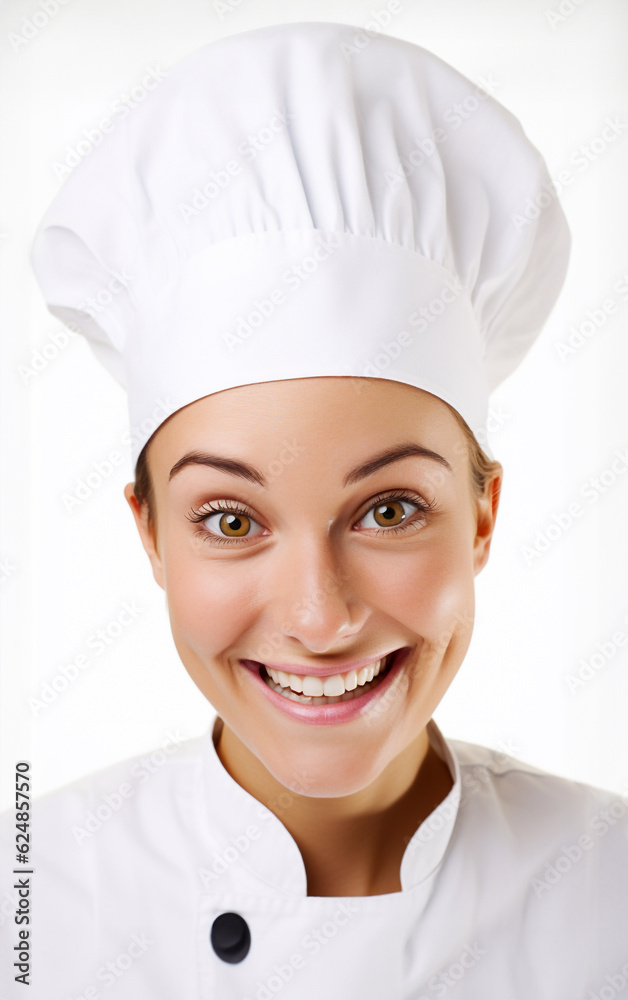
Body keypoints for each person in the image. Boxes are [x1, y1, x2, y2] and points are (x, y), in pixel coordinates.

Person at [1, 20, 626, 999]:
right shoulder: (28, 902)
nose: (317, 616)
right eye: (231, 520)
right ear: (149, 534)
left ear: (482, 517)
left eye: (387, 510)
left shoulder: (608, 885)